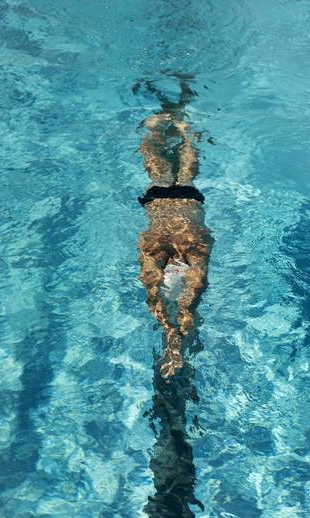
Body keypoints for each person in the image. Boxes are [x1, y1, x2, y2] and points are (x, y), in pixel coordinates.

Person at [138, 84, 213, 378]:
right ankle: (164, 126)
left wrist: (176, 326)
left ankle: (182, 127)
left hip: (186, 201)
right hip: (159, 201)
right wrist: (174, 326)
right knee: (157, 164)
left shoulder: (192, 249)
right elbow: (156, 286)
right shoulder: (160, 249)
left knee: (186, 168)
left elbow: (195, 284)